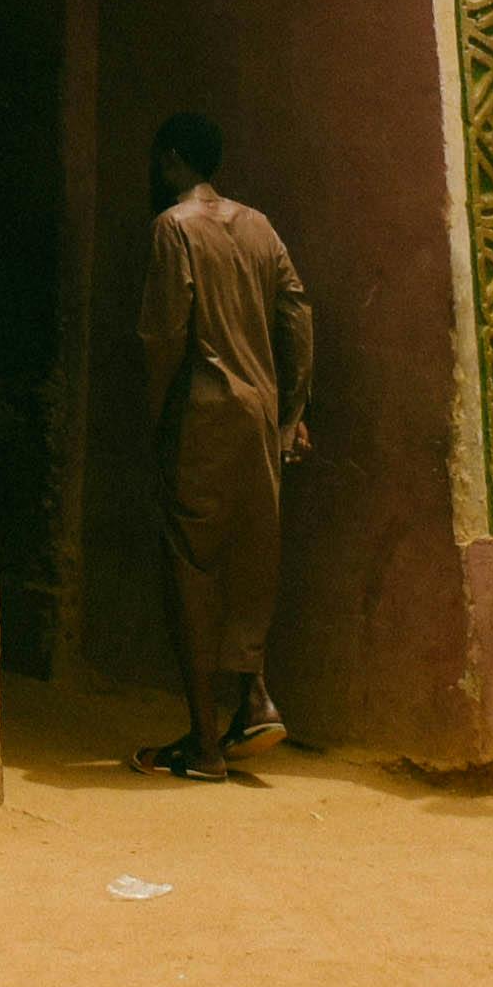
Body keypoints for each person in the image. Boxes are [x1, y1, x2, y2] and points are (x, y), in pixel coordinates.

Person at [133, 112, 312, 784]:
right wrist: (291, 412)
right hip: (261, 415)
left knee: (191, 568)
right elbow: (298, 315)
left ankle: (205, 745)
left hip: (202, 416)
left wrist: (155, 421)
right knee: (249, 557)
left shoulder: (172, 230)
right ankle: (256, 699)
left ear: (173, 159)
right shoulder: (259, 226)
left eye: (159, 160)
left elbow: (163, 337)